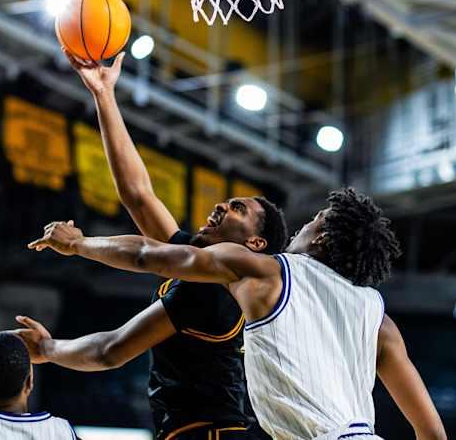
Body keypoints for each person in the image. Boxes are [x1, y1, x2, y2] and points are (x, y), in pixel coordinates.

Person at [28, 188, 447, 440]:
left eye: (312, 221)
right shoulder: (379, 320)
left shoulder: (266, 271)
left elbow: (146, 254)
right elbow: (431, 432)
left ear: (322, 238)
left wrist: (78, 244)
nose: (300, 226)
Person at [15, 51, 287, 440]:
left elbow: (111, 350)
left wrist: (48, 348)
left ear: (255, 243)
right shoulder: (203, 266)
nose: (221, 206)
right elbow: (139, 196)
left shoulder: (212, 288)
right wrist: (104, 95)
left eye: (237, 209)